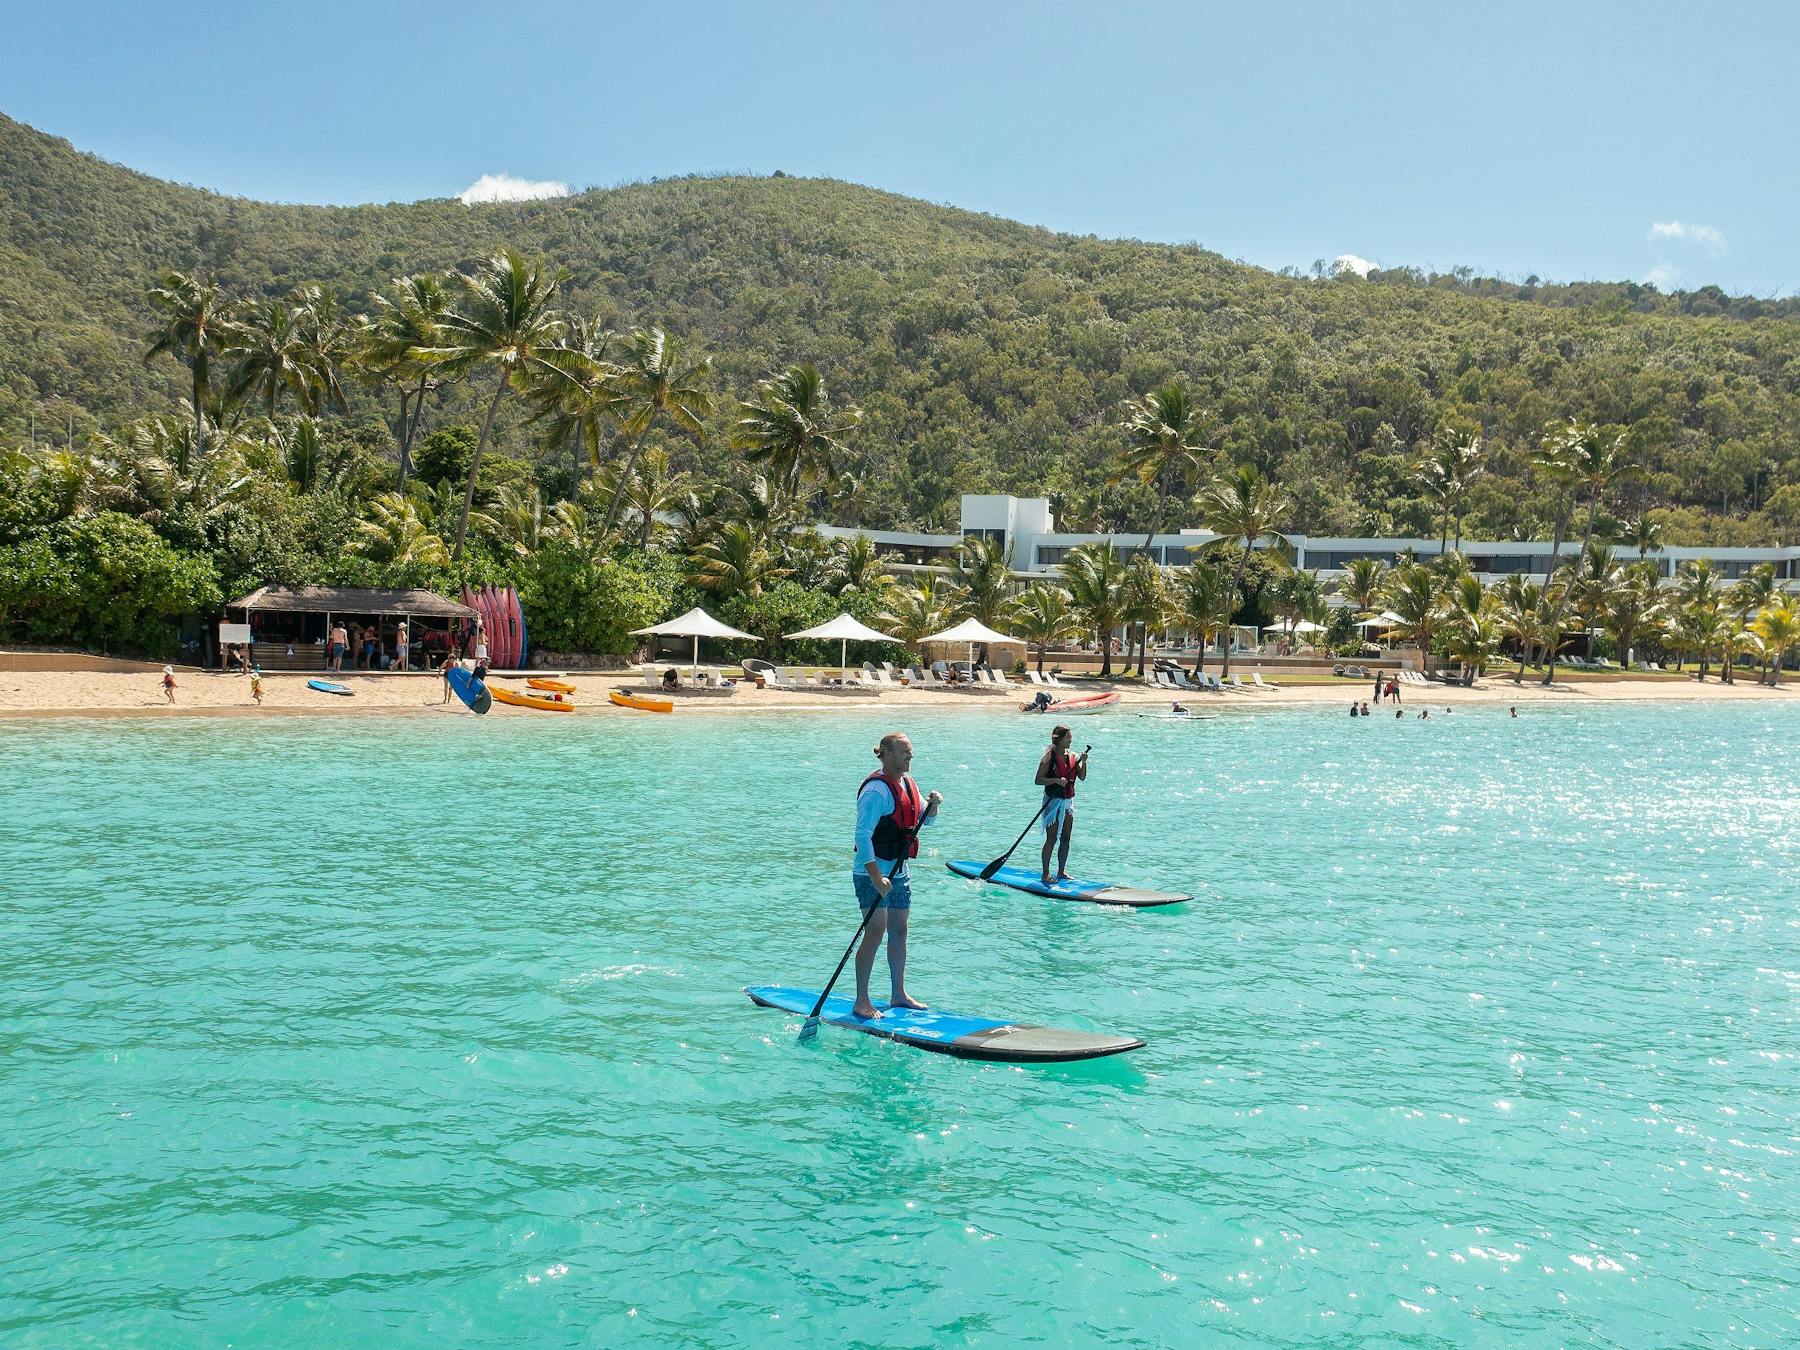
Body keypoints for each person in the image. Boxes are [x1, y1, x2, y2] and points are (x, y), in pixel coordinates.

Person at [852, 732, 942, 1019]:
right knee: (875, 931)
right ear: (887, 754)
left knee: (900, 931)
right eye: (905, 751)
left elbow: (923, 819)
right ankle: (862, 1000)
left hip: (899, 872)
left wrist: (934, 805)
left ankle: (898, 994)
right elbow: (862, 835)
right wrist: (876, 876)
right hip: (871, 873)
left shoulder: (908, 783)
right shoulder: (875, 792)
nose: (910, 756)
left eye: (911, 751)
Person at [1034, 724, 1088, 885]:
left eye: (1070, 737)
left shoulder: (1073, 756)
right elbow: (1038, 780)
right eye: (1067, 737)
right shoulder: (1048, 756)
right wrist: (1056, 780)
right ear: (1058, 739)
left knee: (1066, 837)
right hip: (1053, 802)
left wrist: (1084, 763)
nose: (1070, 740)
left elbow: (1082, 777)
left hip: (1067, 802)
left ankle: (1061, 871)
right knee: (1052, 838)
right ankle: (1045, 874)